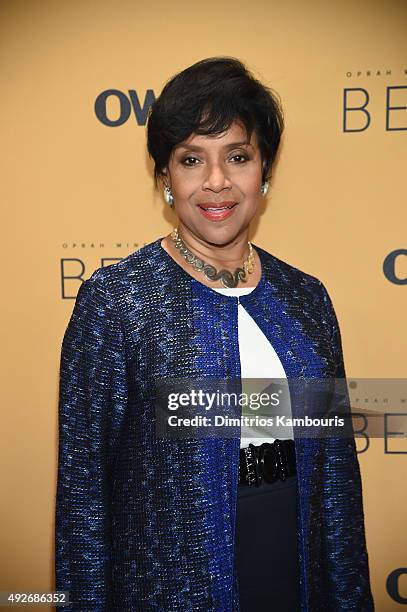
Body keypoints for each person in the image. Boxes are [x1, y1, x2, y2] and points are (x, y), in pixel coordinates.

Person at [55, 57, 375, 611]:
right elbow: (84, 498)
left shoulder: (306, 298)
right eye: (191, 160)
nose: (217, 181)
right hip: (170, 592)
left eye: (238, 156)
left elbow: (338, 479)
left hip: (298, 576)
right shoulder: (115, 302)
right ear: (165, 178)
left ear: (265, 171)